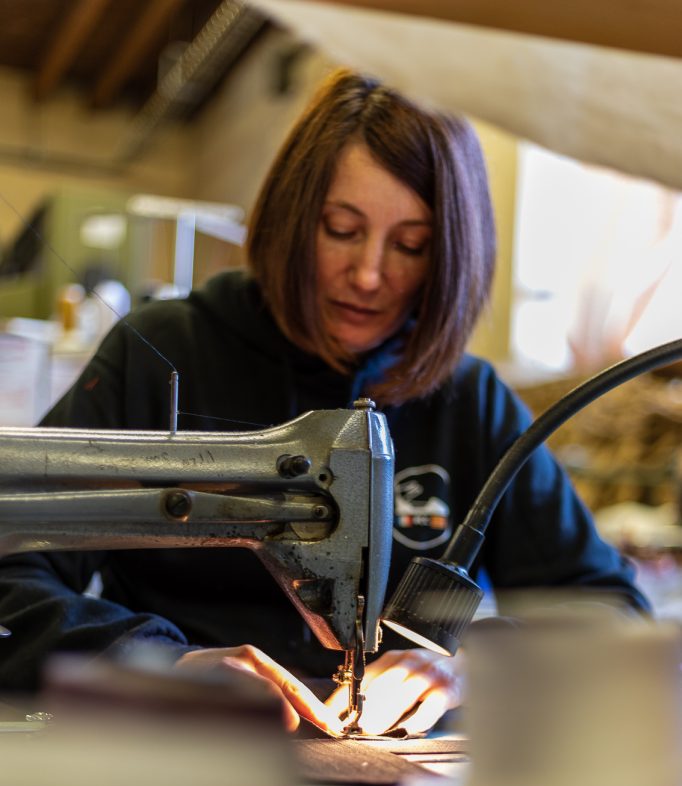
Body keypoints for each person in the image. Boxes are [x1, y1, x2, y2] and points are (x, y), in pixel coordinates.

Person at [0, 69, 649, 735]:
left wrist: (473, 667)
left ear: (451, 255)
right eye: (342, 229)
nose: (369, 274)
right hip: (183, 753)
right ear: (292, 219)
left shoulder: (470, 400)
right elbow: (11, 579)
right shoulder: (165, 354)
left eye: (411, 245)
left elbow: (611, 612)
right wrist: (161, 664)